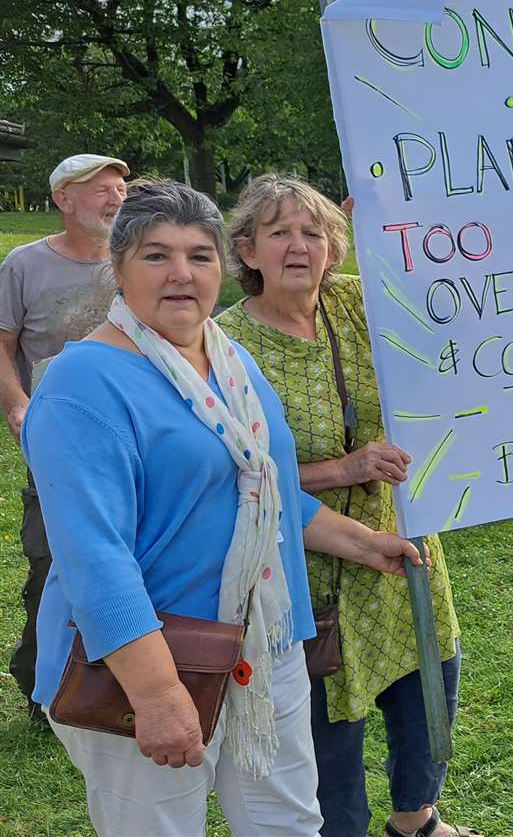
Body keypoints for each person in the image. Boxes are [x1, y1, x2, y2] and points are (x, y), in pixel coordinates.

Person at [22, 179, 426, 836]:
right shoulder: (81, 385)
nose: (182, 273)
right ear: (117, 267)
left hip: (265, 642)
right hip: (147, 661)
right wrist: (155, 694)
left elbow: (260, 493)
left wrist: (360, 541)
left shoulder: (229, 360)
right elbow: (95, 559)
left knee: (289, 824)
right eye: (156, 255)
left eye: (199, 255)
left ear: (221, 267)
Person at [217, 175, 473, 837]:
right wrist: (345, 468)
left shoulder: (364, 305)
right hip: (310, 571)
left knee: (426, 688)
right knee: (330, 729)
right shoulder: (224, 347)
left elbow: (457, 313)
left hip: (401, 543)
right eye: (279, 233)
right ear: (246, 251)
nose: (299, 246)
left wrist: (400, 233)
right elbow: (227, 475)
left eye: (314, 232)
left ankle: (417, 818)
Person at [0, 153, 128, 718]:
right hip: (56, 437)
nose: (115, 197)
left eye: (120, 186)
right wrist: (18, 404)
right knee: (53, 556)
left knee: (132, 552)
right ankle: (41, 679)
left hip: (133, 433)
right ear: (63, 199)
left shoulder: (136, 260)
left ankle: (124, 673)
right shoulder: (24, 265)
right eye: (100, 188)